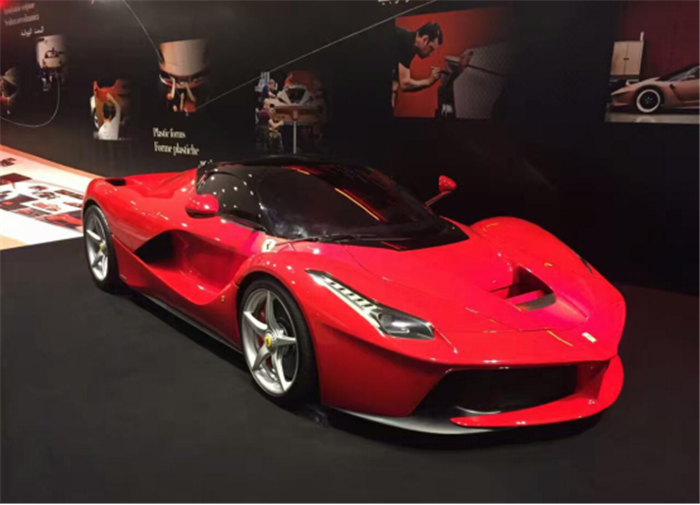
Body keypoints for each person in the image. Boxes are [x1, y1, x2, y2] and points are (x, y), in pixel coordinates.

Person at [392, 22, 444, 108]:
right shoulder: (408, 45)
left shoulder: (408, 40)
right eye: (431, 48)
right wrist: (429, 81)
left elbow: (396, 76)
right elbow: (405, 84)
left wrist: (393, 92)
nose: (430, 54)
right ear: (425, 39)